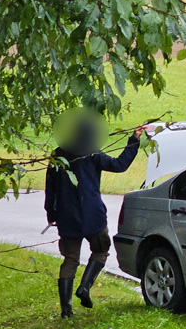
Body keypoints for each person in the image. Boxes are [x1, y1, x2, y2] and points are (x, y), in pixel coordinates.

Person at [45, 115, 144, 318]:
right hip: (94, 216)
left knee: (70, 259)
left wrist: (51, 214)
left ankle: (66, 310)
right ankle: (85, 287)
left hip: (67, 217)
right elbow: (119, 165)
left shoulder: (57, 155)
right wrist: (134, 140)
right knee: (101, 250)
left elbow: (50, 190)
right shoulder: (92, 154)